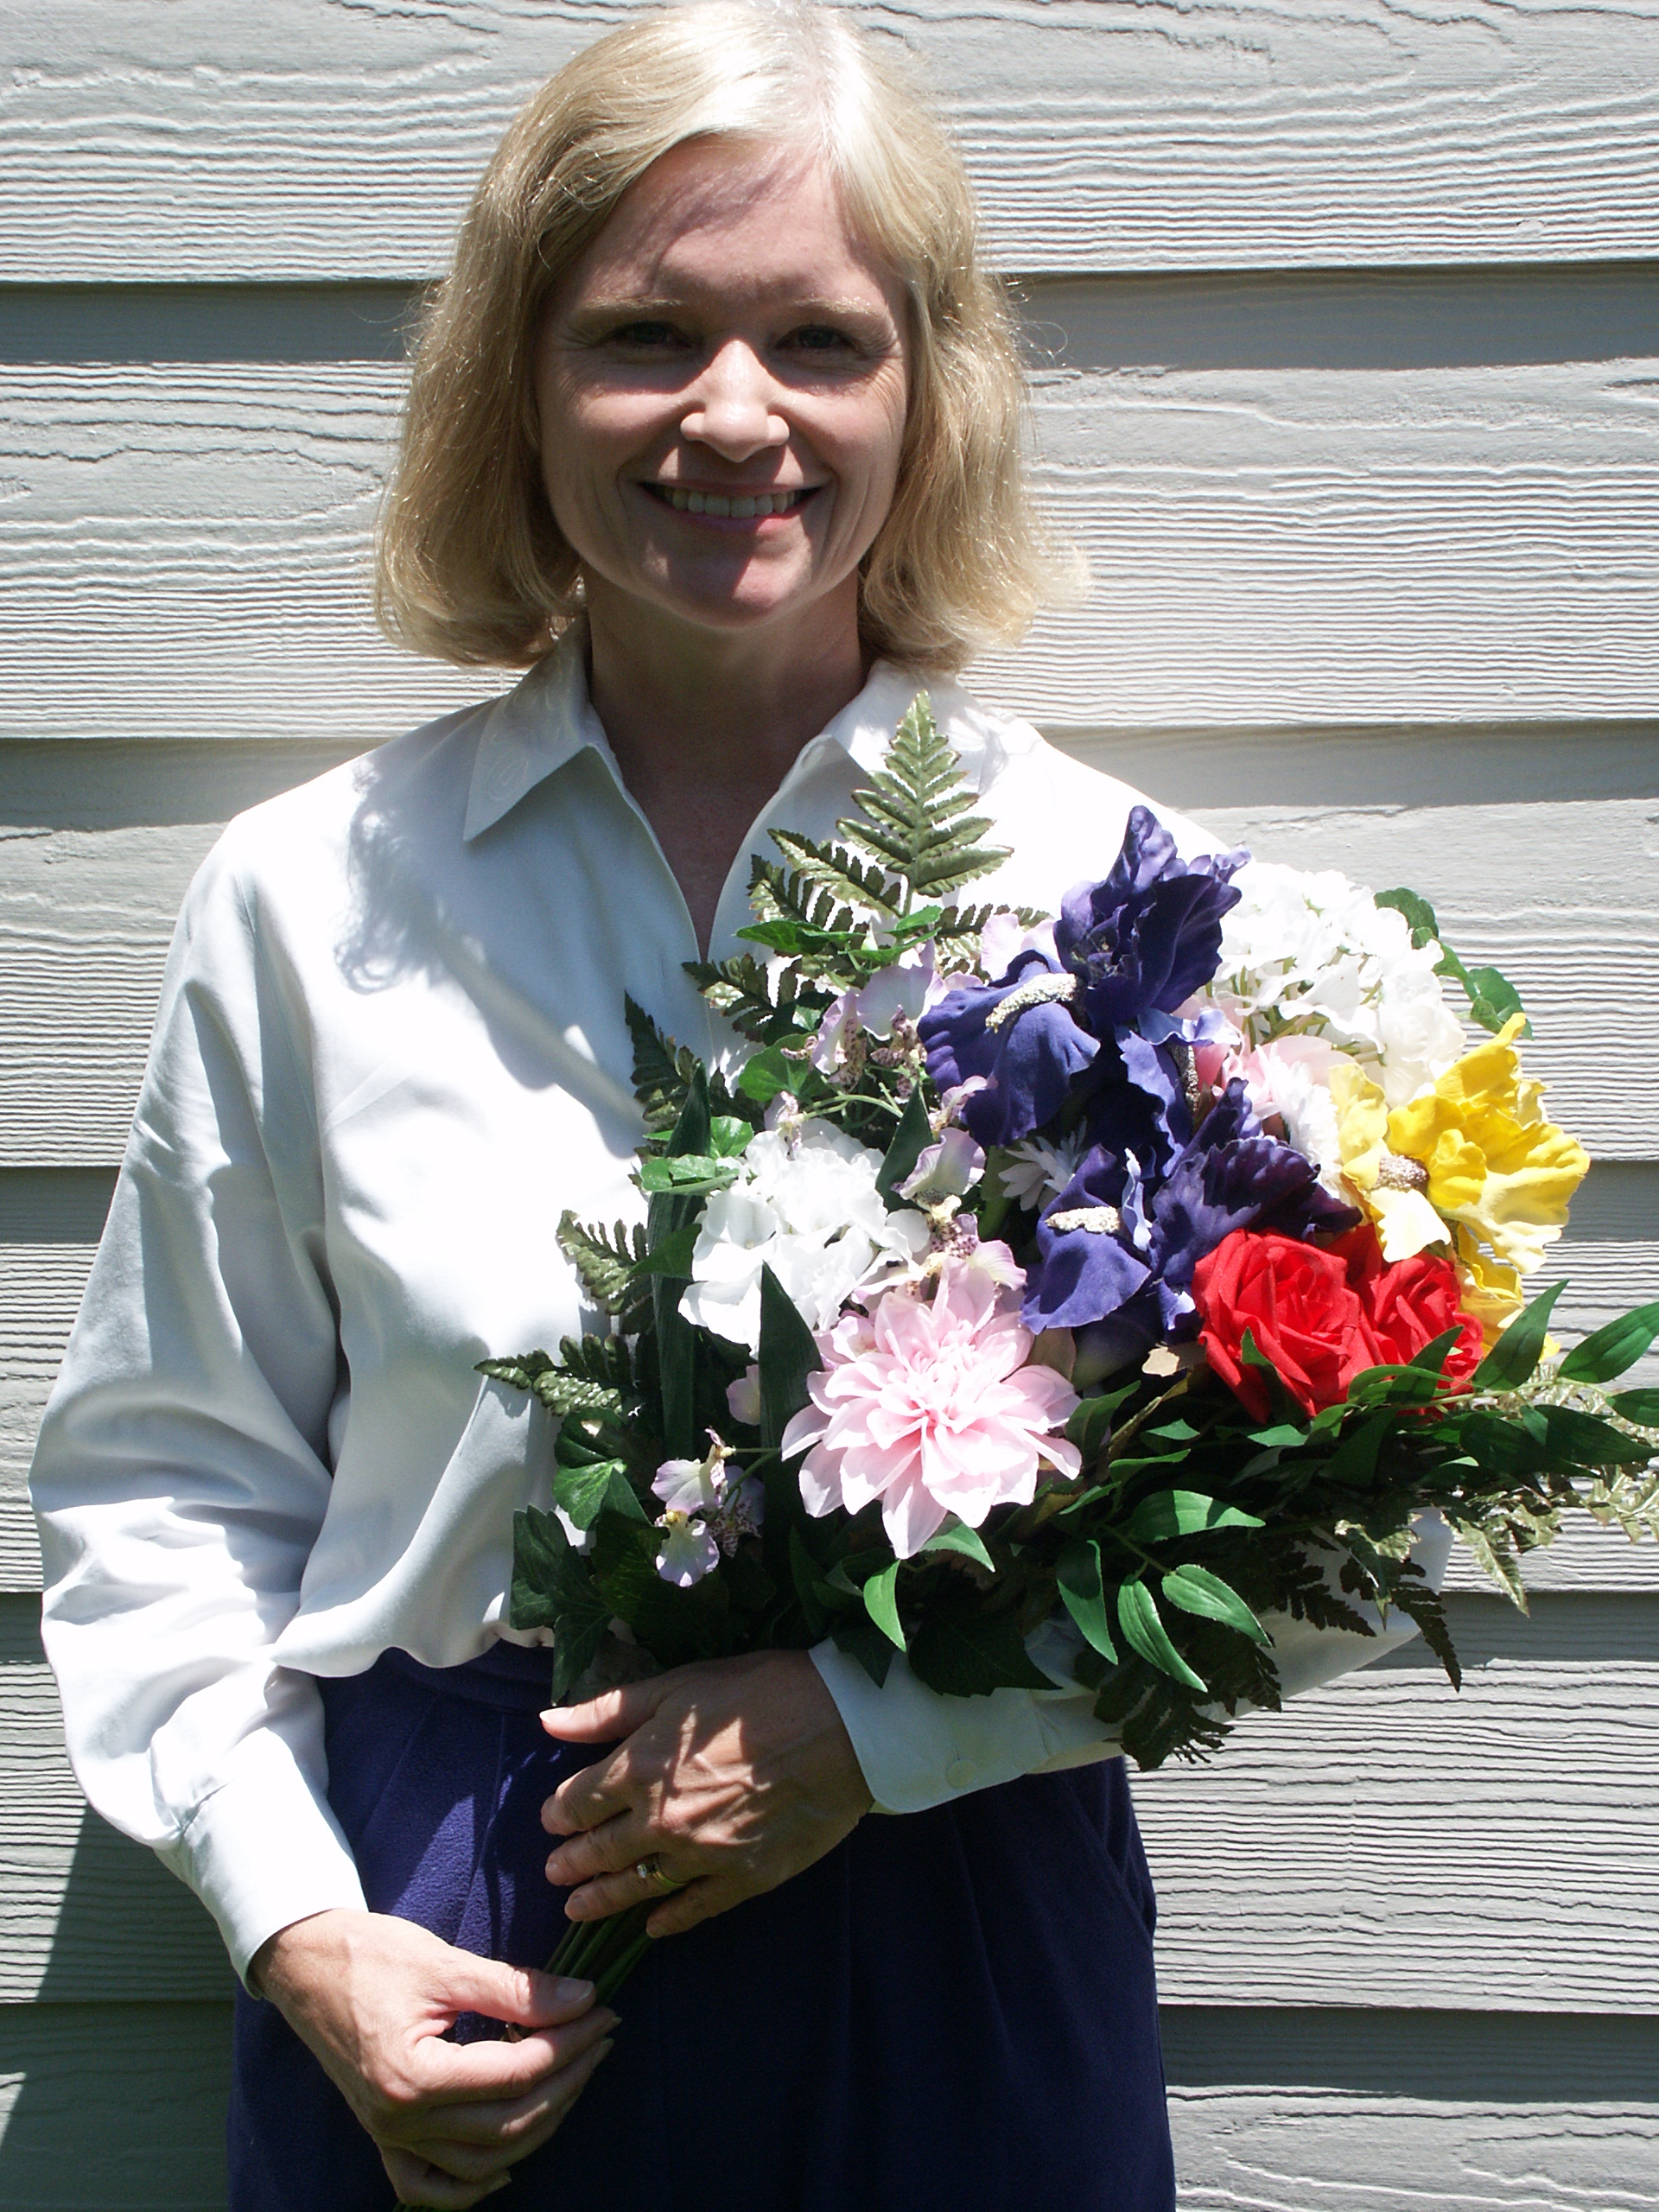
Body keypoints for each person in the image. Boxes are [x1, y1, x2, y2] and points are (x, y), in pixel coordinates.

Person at [29, 8, 1443, 2209]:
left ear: (929, 389)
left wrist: (887, 1729)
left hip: (951, 1920)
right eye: (643, 332)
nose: (732, 411)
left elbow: (1360, 1529)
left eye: (819, 338)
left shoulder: (1121, 903)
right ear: (517, 382)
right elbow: (166, 1488)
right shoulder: (307, 900)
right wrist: (300, 1923)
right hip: (459, 1941)